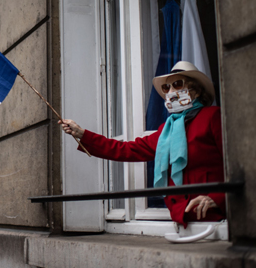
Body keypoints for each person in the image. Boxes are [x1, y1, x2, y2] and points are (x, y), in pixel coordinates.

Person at [60, 61, 225, 227]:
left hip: (215, 219)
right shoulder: (166, 130)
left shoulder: (212, 117)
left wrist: (217, 198)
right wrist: (83, 135)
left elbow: (237, 166)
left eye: (177, 84)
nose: (171, 92)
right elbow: (126, 149)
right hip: (182, 221)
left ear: (195, 90)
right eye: (166, 88)